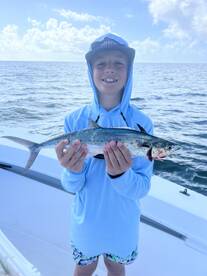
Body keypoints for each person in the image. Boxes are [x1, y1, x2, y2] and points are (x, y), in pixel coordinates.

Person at [55, 33, 154, 276]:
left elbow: (142, 187)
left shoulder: (142, 124)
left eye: (118, 63)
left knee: (115, 266)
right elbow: (70, 186)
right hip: (86, 220)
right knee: (84, 267)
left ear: (129, 70)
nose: (110, 69)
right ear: (90, 70)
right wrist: (73, 170)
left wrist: (121, 175)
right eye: (101, 64)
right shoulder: (75, 120)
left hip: (123, 222)